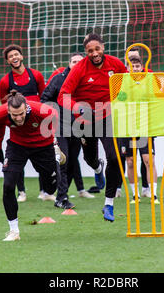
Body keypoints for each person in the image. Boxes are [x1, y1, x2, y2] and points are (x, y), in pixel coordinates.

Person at [58, 33, 128, 222]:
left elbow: (127, 85)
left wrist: (122, 97)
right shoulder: (79, 68)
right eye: (90, 51)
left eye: (97, 49)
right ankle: (98, 169)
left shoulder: (116, 64)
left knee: (115, 158)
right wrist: (77, 108)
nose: (94, 53)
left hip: (108, 117)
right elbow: (63, 95)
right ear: (86, 52)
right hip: (85, 121)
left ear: (103, 47)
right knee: (90, 159)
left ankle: (108, 204)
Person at [0, 91, 59, 241]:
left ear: (26, 108)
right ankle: (14, 231)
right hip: (17, 147)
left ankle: (56, 164)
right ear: (8, 110)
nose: (18, 118)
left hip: (43, 146)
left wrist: (54, 141)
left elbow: (55, 117)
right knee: (8, 186)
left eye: (21, 114)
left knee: (50, 188)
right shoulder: (0, 114)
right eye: (14, 115)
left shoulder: (42, 111)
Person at [41, 52, 95, 202]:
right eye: (74, 61)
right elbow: (44, 99)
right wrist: (54, 114)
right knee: (63, 161)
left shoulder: (88, 81)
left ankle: (61, 192)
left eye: (80, 61)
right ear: (69, 64)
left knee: (72, 162)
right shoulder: (58, 79)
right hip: (61, 128)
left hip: (79, 128)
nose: (77, 64)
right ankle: (61, 197)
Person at [0, 44, 47, 202]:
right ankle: (22, 192)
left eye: (16, 54)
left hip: (36, 122)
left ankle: (44, 191)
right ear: (7, 61)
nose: (14, 58)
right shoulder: (6, 81)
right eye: (11, 56)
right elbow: (4, 103)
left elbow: (44, 97)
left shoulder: (36, 75)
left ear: (22, 56)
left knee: (42, 156)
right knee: (18, 158)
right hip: (18, 124)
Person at [120, 56, 159, 204]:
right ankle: (135, 195)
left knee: (148, 160)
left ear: (142, 67)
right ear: (128, 68)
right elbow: (119, 100)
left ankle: (153, 194)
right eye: (132, 66)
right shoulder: (122, 81)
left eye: (137, 66)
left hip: (145, 126)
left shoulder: (148, 81)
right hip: (127, 126)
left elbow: (156, 100)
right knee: (130, 162)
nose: (135, 69)